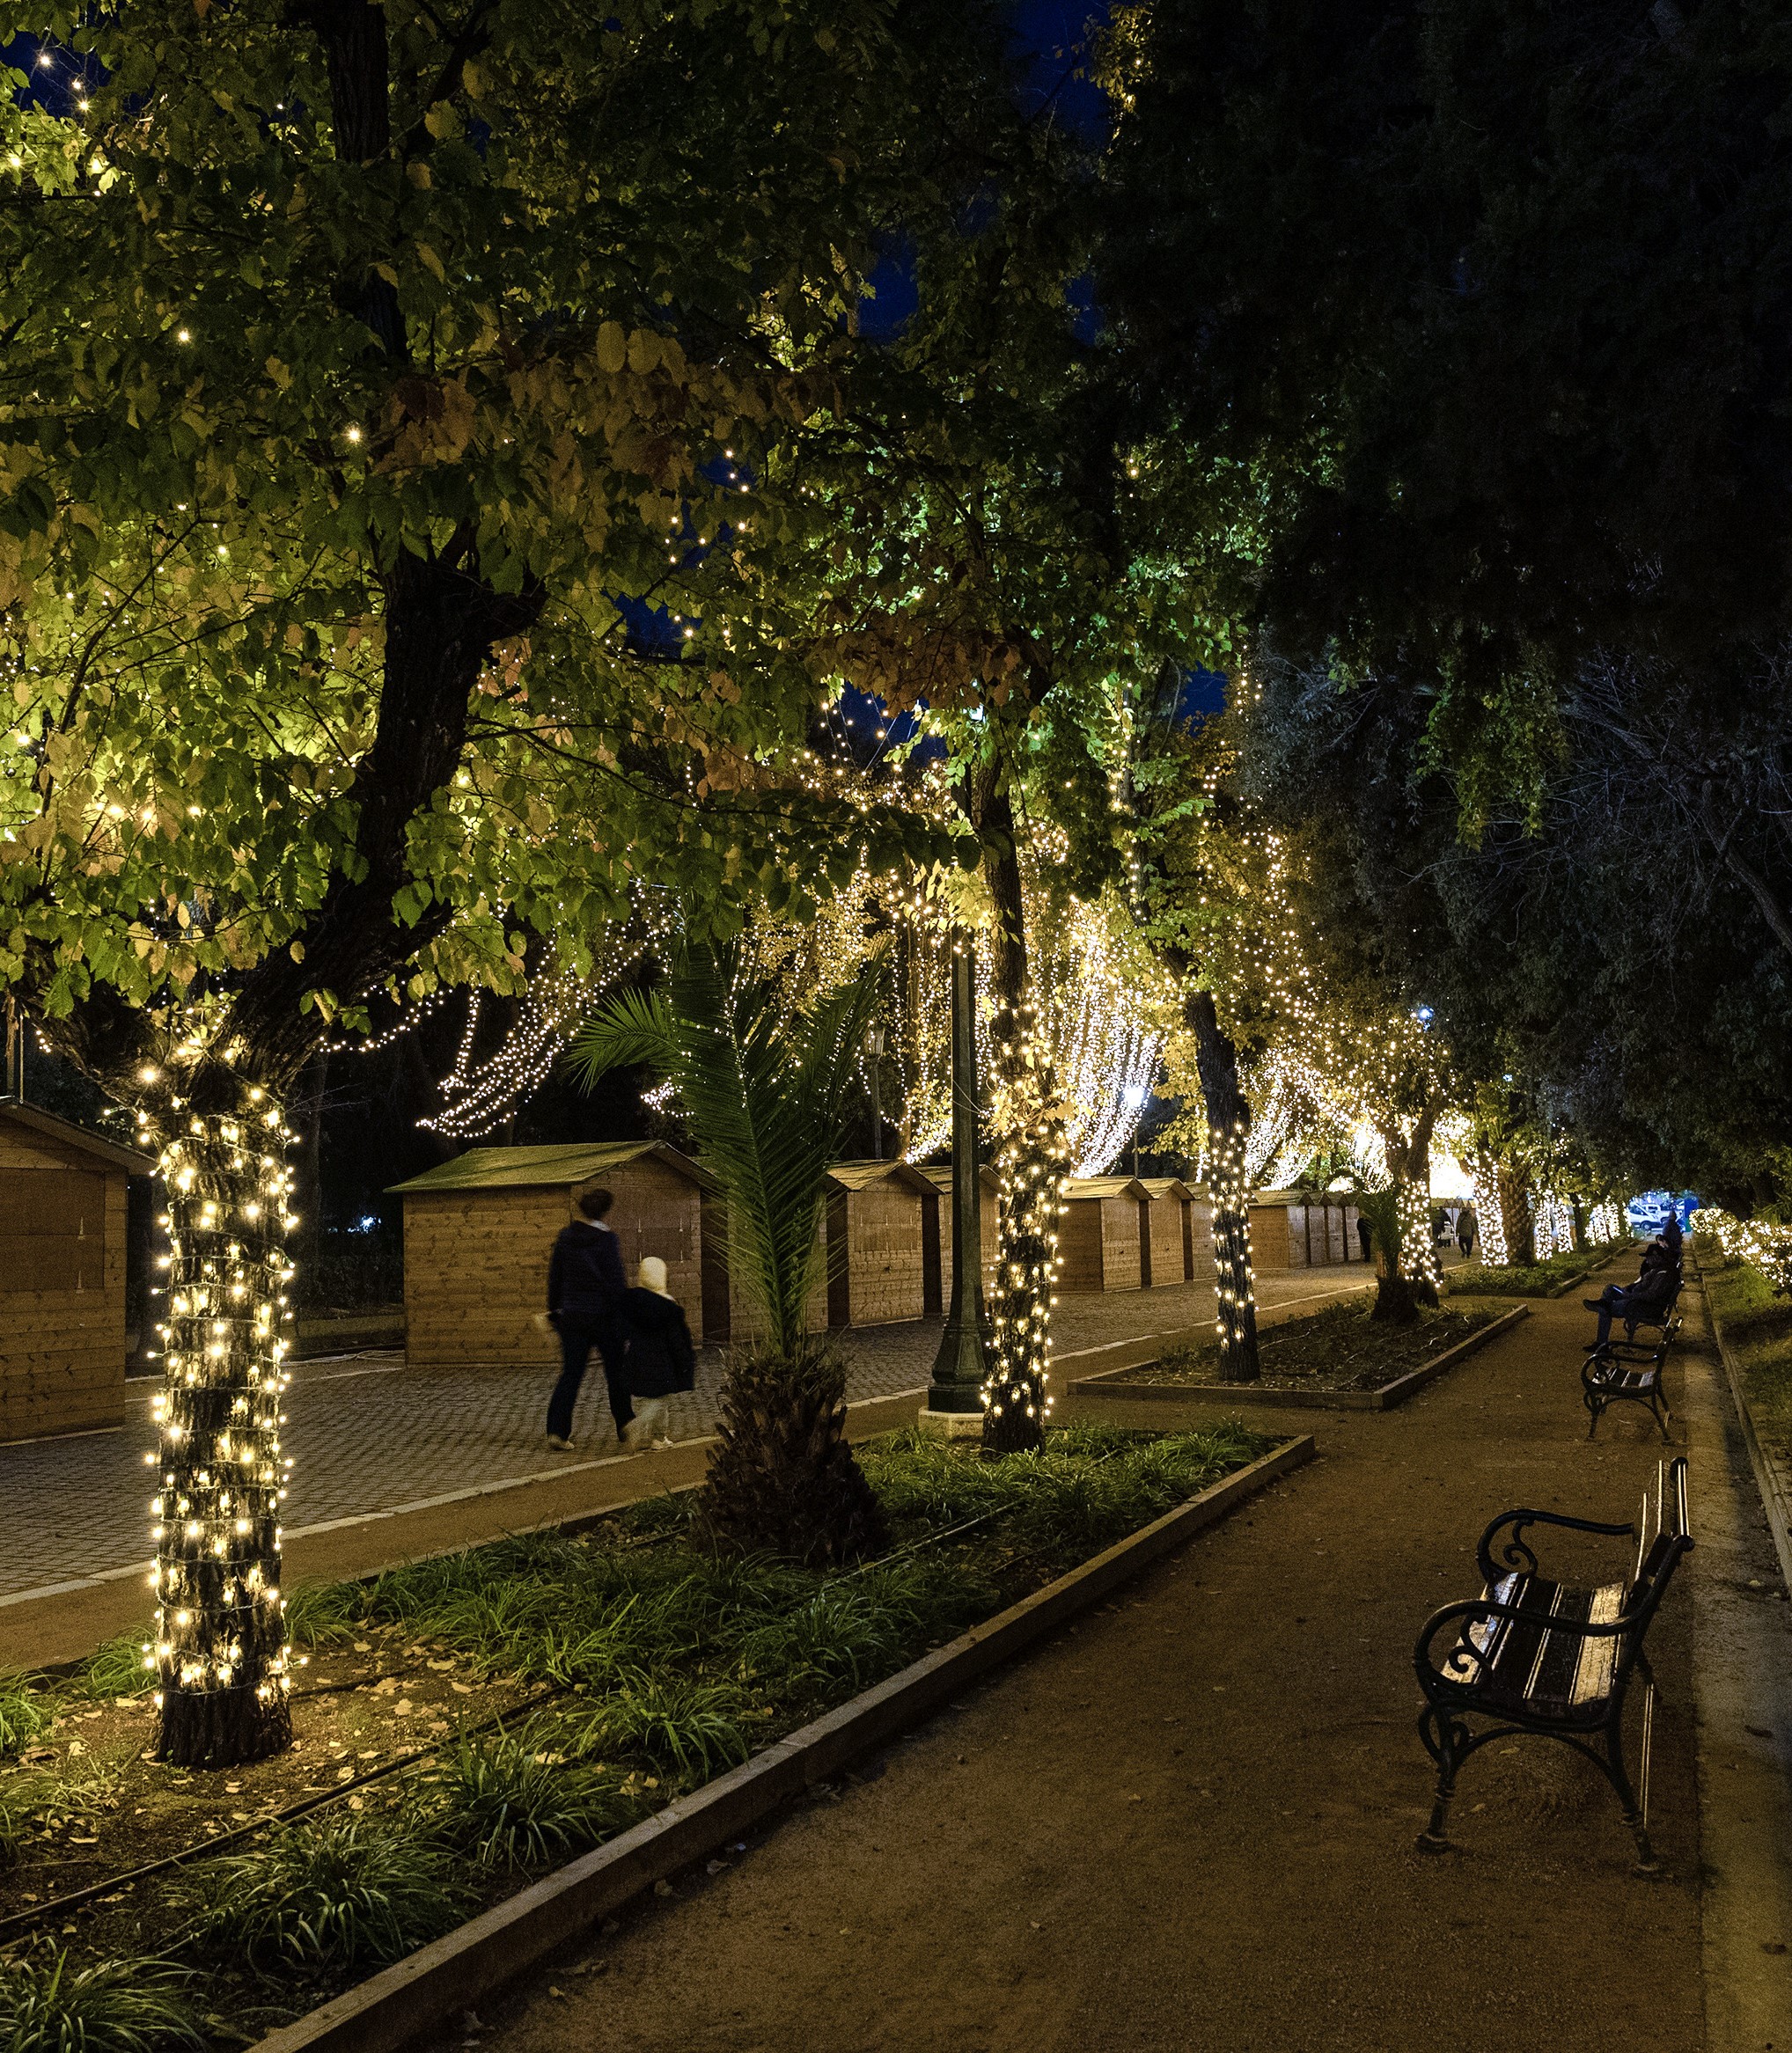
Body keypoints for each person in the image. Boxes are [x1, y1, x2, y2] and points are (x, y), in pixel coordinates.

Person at [544, 1183, 630, 1449]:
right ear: (605, 1211)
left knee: (571, 1374)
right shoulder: (607, 1240)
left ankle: (557, 1431)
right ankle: (625, 1424)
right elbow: (616, 1282)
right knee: (616, 1373)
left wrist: (554, 1310)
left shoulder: (565, 1238)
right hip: (605, 1317)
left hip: (572, 1315)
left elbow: (555, 1278)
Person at [619, 1255, 696, 1448]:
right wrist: (685, 1362)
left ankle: (657, 1437)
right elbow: (677, 1340)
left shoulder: (632, 1303)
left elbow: (622, 1330)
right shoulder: (669, 1308)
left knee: (648, 1397)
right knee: (661, 1400)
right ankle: (648, 1430)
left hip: (637, 1358)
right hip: (662, 1362)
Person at [1583, 1248, 1678, 1348]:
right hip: (1636, 1300)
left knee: (1604, 1309)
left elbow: (1651, 1295)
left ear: (1656, 1257)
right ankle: (1603, 1302)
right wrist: (1629, 1289)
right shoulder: (1659, 1271)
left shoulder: (1664, 1274)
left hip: (1641, 1306)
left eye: (1648, 1258)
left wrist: (1630, 1295)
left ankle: (1601, 1343)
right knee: (1610, 1288)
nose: (1647, 1261)